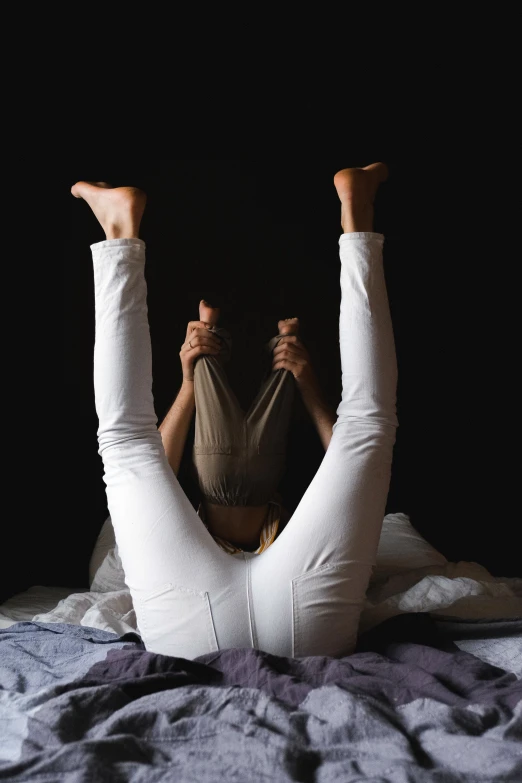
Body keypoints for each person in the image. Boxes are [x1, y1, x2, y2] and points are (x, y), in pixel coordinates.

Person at [71, 162, 397, 661]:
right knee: (128, 443)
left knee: (367, 430)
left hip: (232, 626)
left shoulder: (274, 515)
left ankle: (359, 215)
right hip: (270, 624)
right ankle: (119, 231)